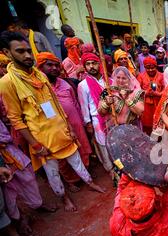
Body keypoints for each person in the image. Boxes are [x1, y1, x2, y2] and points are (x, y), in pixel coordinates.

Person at [0, 32, 105, 212]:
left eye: (28, 51)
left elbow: (56, 105)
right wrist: (35, 145)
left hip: (62, 131)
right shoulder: (7, 82)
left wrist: (69, 127)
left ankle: (90, 183)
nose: (26, 55)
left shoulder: (39, 76)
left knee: (77, 161)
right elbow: (15, 119)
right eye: (20, 51)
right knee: (53, 173)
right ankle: (64, 198)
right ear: (7, 52)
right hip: (42, 140)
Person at [37, 52, 93, 192]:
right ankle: (71, 181)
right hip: (57, 129)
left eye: (57, 65)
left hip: (76, 124)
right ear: (40, 67)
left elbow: (75, 103)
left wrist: (83, 122)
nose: (54, 68)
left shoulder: (65, 83)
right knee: (62, 157)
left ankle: (84, 175)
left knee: (81, 148)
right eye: (49, 65)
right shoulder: (39, 88)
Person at [78, 53, 114, 175]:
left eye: (94, 63)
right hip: (97, 120)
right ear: (85, 67)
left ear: (99, 64)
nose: (91, 66)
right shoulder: (82, 85)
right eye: (88, 64)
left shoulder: (109, 81)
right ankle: (110, 169)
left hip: (113, 116)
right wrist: (88, 123)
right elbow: (84, 106)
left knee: (115, 141)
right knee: (103, 145)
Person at [137, 57, 165, 135]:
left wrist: (159, 94)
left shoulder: (161, 76)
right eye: (147, 68)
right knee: (147, 127)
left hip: (159, 104)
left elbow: (166, 90)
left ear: (156, 67)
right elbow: (137, 91)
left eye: (152, 68)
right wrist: (146, 93)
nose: (150, 70)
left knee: (159, 125)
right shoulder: (141, 76)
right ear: (145, 67)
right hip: (145, 106)